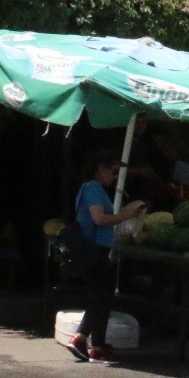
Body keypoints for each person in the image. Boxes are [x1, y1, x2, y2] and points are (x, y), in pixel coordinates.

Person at [67, 152, 147, 364]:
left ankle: (93, 343)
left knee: (102, 297)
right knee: (100, 297)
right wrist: (128, 215)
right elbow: (99, 219)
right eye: (112, 171)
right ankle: (86, 340)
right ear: (100, 169)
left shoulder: (93, 189)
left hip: (99, 250)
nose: (113, 177)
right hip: (94, 250)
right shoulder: (93, 187)